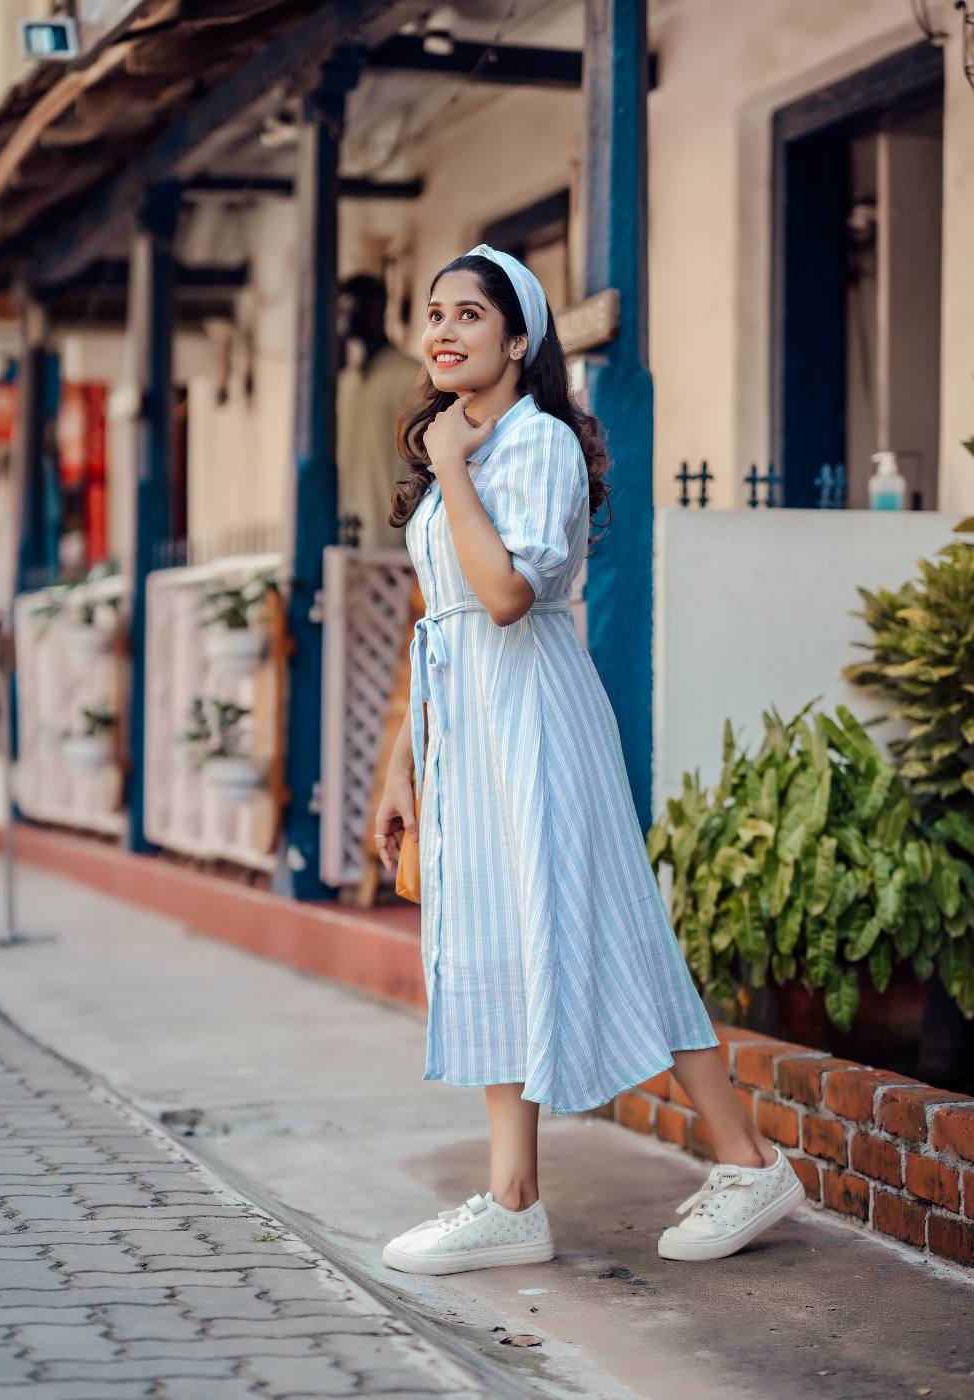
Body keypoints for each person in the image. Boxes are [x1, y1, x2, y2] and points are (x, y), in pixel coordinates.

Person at [373, 246, 804, 1275]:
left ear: (519, 340)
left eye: (467, 314)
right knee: (488, 936)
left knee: (614, 924)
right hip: (466, 729)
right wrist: (404, 759)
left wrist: (450, 468)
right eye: (433, 313)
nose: (442, 330)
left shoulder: (536, 446)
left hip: (537, 723)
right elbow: (444, 620)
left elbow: (507, 594)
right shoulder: (465, 447)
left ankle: (748, 1161)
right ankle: (513, 1198)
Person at [335, 274, 421, 550]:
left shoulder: (412, 376)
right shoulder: (346, 384)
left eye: (352, 306)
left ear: (378, 308)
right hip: (348, 538)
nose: (345, 317)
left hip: (395, 545)